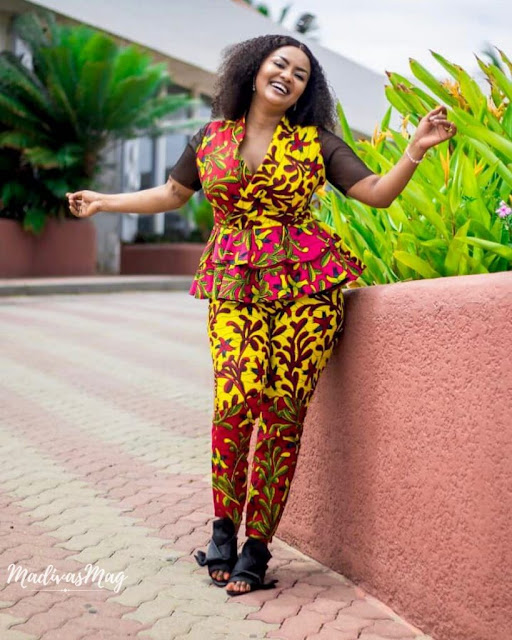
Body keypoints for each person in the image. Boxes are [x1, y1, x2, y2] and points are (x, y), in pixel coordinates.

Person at [67, 34, 456, 597]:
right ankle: (222, 531)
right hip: (234, 282)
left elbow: (375, 193)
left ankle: (257, 547)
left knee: (282, 414)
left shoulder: (316, 143)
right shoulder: (210, 138)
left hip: (307, 289)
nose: (288, 76)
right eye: (280, 64)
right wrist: (105, 200)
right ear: (253, 71)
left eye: (300, 74)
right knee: (234, 400)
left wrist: (414, 149)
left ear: (305, 91)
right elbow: (172, 194)